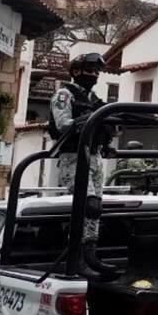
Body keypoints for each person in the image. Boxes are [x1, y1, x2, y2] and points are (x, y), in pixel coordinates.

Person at [49, 52, 109, 265]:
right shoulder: (65, 94)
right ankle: (77, 259)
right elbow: (63, 124)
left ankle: (90, 255)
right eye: (89, 71)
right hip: (73, 156)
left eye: (96, 72)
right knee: (88, 205)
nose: (94, 75)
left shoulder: (95, 99)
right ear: (75, 72)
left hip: (95, 156)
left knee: (96, 209)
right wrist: (89, 119)